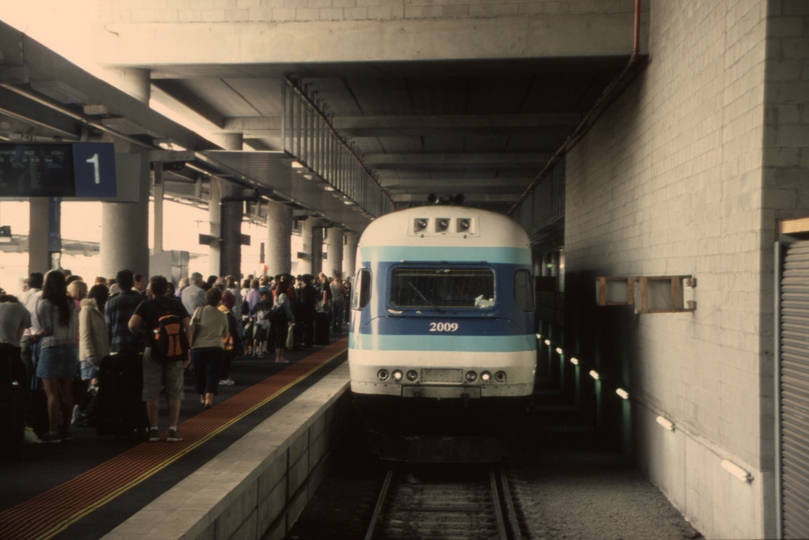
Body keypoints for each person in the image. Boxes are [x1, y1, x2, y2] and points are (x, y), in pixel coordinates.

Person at [129, 275, 191, 442]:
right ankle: (172, 430)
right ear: (167, 289)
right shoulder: (177, 305)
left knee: (151, 391)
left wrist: (144, 334)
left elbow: (132, 325)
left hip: (152, 350)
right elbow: (187, 327)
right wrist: (188, 348)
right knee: (175, 391)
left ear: (151, 289)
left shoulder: (145, 304)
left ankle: (154, 430)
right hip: (176, 351)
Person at [30, 271, 79, 443]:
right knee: (67, 391)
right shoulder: (71, 303)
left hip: (51, 348)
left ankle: (53, 431)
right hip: (69, 348)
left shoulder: (45, 303)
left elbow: (48, 329)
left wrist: (35, 336)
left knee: (51, 394)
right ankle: (66, 429)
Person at [189, 287, 228, 408]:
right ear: (219, 300)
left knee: (199, 373)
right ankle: (209, 400)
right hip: (216, 347)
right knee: (213, 373)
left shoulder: (199, 311)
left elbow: (191, 327)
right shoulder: (223, 315)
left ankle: (202, 397)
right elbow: (225, 334)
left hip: (198, 347)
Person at [105, 269, 145, 354]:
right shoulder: (142, 300)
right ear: (133, 283)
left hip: (117, 346)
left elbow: (108, 327)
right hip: (138, 346)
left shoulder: (110, 303)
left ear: (118, 285)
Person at [79, 285, 109, 387]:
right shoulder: (87, 310)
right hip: (90, 356)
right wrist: (90, 354)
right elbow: (84, 334)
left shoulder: (101, 311)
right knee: (92, 387)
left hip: (102, 354)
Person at [218, 290, 243, 386]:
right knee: (225, 360)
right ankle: (223, 377)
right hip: (228, 341)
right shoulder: (227, 313)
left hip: (219, 340)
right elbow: (231, 328)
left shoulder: (219, 309)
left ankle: (221, 376)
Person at [270, 276, 295, 363]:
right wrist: (292, 317)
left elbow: (274, 307)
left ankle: (277, 356)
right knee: (282, 336)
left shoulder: (276, 295)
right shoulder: (284, 296)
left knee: (277, 337)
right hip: (283, 318)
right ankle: (281, 357)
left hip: (276, 317)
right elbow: (286, 309)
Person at [250, 288, 273, 358]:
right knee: (256, 338)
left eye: (267, 296)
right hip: (258, 323)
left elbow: (271, 313)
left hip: (265, 324)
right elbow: (252, 311)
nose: (267, 297)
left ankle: (260, 351)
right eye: (265, 296)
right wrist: (252, 316)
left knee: (262, 338)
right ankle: (254, 351)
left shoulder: (268, 305)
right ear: (261, 296)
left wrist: (266, 317)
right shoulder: (258, 304)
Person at [298, 274, 318, 348]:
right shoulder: (312, 288)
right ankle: (310, 341)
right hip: (311, 308)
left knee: (306, 326)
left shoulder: (304, 289)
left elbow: (303, 301)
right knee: (310, 326)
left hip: (305, 309)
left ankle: (306, 341)